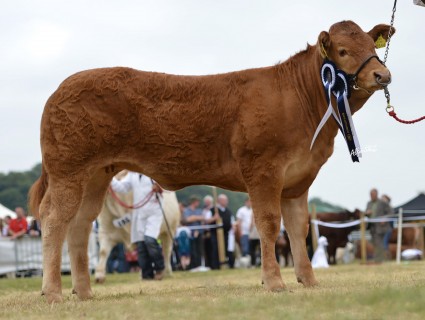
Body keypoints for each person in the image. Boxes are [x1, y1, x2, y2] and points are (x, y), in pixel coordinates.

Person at [110, 172, 165, 280]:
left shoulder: (153, 170)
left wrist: (160, 187)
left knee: (150, 240)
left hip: (154, 211)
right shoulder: (132, 174)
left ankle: (159, 268)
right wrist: (110, 177)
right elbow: (122, 187)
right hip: (139, 214)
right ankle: (147, 275)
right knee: (141, 246)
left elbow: (168, 186)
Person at [207, 194, 235, 269]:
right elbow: (207, 220)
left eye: (226, 200)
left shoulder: (228, 211)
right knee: (216, 249)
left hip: (226, 234)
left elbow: (232, 222)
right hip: (215, 233)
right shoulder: (213, 210)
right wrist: (214, 218)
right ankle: (215, 266)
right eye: (224, 200)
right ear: (219, 201)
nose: (226, 202)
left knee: (225, 249)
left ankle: (223, 264)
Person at [365, 189, 392, 263]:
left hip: (381, 228)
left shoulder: (382, 202)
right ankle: (378, 259)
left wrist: (385, 218)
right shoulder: (369, 203)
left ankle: (379, 260)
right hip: (372, 227)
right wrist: (367, 213)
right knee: (374, 243)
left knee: (380, 243)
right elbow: (366, 212)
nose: (371, 196)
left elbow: (391, 212)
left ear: (376, 194)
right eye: (370, 195)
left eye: (373, 195)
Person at [182, 195, 204, 269]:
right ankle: (193, 266)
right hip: (190, 233)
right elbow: (187, 220)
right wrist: (197, 217)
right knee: (192, 250)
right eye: (197, 201)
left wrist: (194, 217)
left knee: (199, 250)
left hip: (199, 232)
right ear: (193, 202)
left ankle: (199, 265)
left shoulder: (199, 210)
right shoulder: (186, 210)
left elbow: (202, 218)